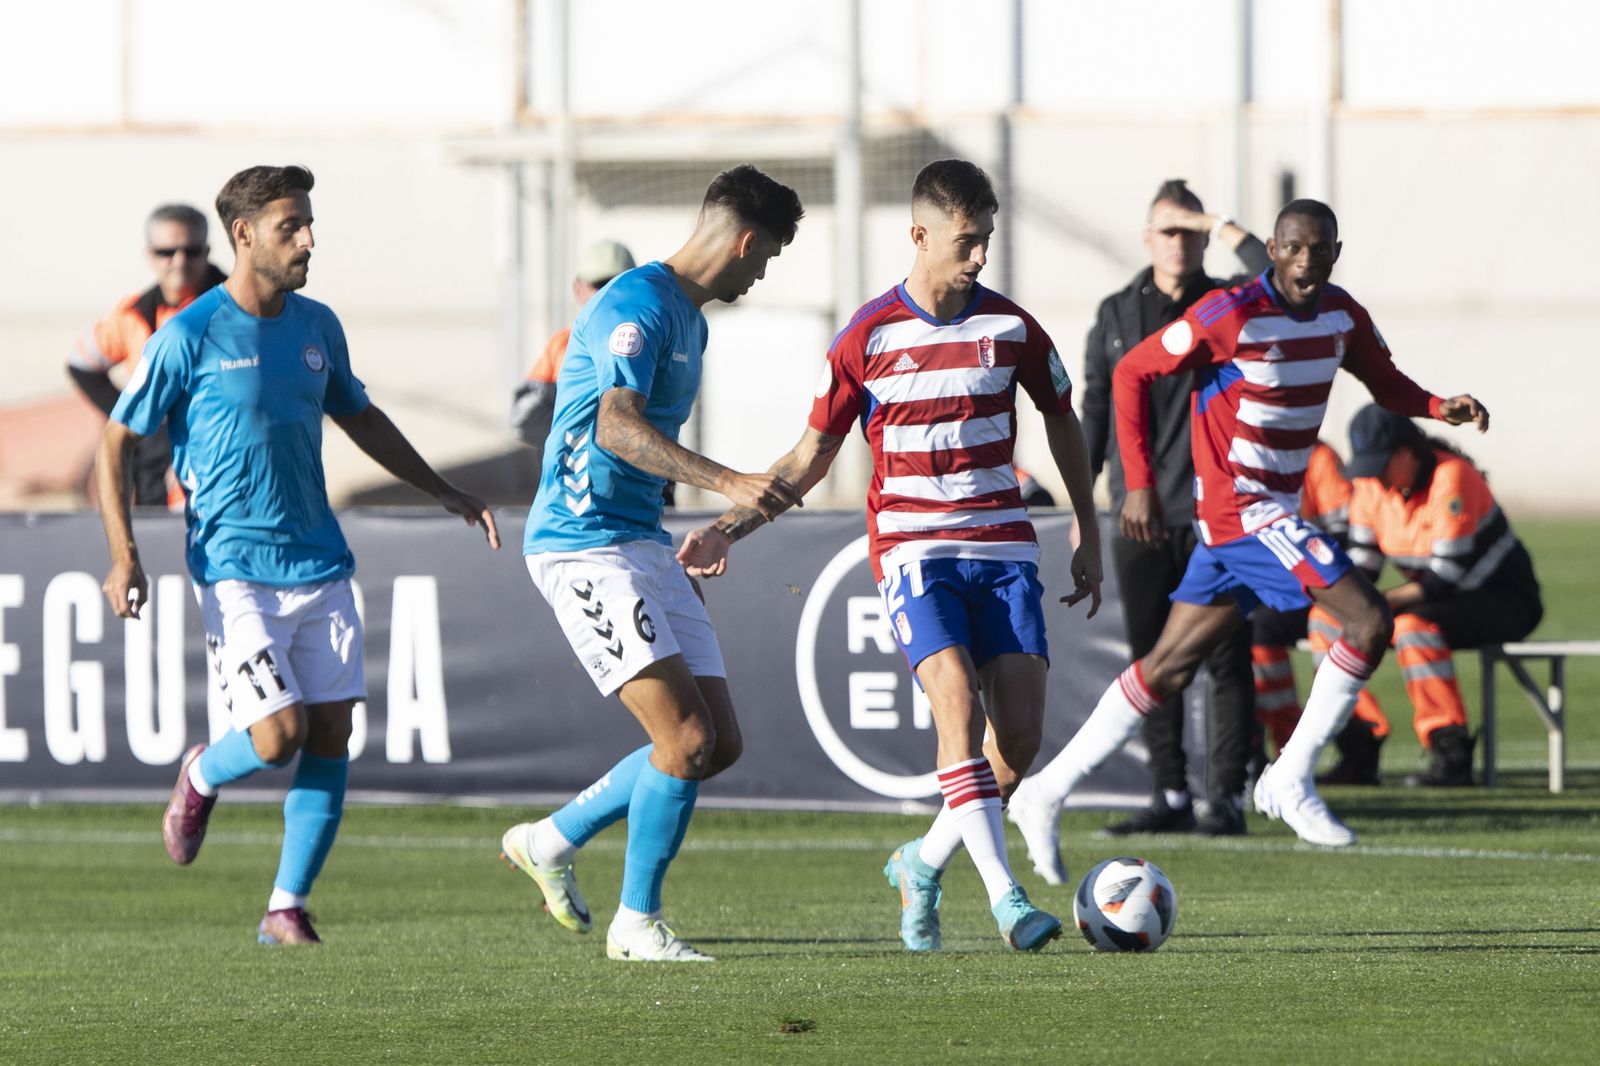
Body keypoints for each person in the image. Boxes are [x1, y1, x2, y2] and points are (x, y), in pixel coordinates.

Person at [676, 159, 1104, 954]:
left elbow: (1062, 418)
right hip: (912, 547)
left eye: (986, 242)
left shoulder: (1012, 329)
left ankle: (921, 861)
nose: (979, 258)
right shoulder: (866, 338)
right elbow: (806, 459)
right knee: (955, 705)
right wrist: (728, 528)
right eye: (967, 242)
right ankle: (1008, 901)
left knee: (1018, 745)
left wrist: (1086, 526)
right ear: (920, 235)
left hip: (1002, 545)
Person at [1004, 198, 1488, 867]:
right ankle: (1288, 778)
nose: (1305, 262)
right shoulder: (1231, 312)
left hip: (1260, 516)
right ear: (1273, 248)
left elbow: (1385, 382)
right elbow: (1131, 371)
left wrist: (1438, 405)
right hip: (1245, 512)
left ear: (1335, 255)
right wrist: (1137, 480)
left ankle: (1045, 791)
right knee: (1370, 621)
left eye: (1319, 250)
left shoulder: (1341, 315)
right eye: (1292, 248)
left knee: (1167, 668)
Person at [95, 165, 500, 946]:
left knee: (329, 735)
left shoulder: (318, 326)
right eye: (292, 227)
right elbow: (113, 444)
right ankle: (202, 774)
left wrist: (443, 489)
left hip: (320, 561)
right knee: (275, 736)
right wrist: (125, 555)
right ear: (244, 236)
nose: (309, 239)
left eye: (309, 223)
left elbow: (362, 416)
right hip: (236, 569)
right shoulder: (188, 335)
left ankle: (285, 905)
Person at [498, 165, 805, 963]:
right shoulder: (636, 305)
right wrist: (726, 481)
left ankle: (551, 839)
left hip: (638, 538)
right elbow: (615, 428)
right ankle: (636, 926)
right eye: (766, 257)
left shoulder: (689, 320)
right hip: (582, 542)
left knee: (716, 743)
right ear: (744, 241)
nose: (762, 273)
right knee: (686, 738)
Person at [1021, 179, 1270, 855]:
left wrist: (1221, 221)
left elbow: (1278, 275)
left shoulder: (1231, 303)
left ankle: (1225, 796)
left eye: (1192, 231)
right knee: (1152, 655)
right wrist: (1084, 502)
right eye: (1170, 229)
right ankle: (1168, 792)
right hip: (1137, 509)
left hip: (1216, 505)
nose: (1181, 242)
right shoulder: (1116, 312)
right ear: (1146, 238)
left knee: (1224, 653)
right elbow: (1095, 408)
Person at [1325, 405, 1542, 786]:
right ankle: (1358, 745)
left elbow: (1446, 575)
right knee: (1324, 620)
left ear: (1408, 452)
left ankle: (1451, 751)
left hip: (1502, 599)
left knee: (1413, 628)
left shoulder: (1451, 476)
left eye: (1381, 464)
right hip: (1438, 600)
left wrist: (1377, 605)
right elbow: (1363, 567)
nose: (1374, 477)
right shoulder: (1370, 488)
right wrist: (1332, 598)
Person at [1249, 440, 1390, 784]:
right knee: (1250, 629)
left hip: (1319, 585)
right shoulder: (1248, 454)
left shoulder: (1317, 457)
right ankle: (1279, 747)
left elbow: (1341, 537)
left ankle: (1360, 738)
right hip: (1277, 586)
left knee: (1313, 626)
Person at [70, 203, 227, 508]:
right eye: (167, 252)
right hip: (154, 464)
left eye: (191, 250)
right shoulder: (133, 312)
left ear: (207, 251)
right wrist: (134, 417)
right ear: (149, 255)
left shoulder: (237, 308)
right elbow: (81, 364)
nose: (179, 261)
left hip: (220, 455)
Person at [512, 239, 637, 456]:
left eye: (619, 284)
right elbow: (524, 419)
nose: (608, 293)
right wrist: (603, 434)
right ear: (578, 288)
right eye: (600, 284)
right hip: (572, 480)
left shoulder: (653, 343)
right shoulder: (562, 344)